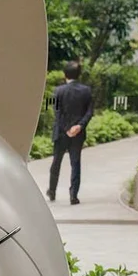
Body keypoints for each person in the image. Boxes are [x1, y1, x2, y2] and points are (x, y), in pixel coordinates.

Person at [47, 61, 94, 206]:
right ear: (79, 74)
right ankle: (73, 195)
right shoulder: (87, 91)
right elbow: (90, 112)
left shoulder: (57, 91)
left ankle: (52, 191)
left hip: (61, 132)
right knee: (75, 163)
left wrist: (67, 128)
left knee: (56, 162)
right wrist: (79, 126)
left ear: (64, 74)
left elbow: (55, 111)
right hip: (78, 134)